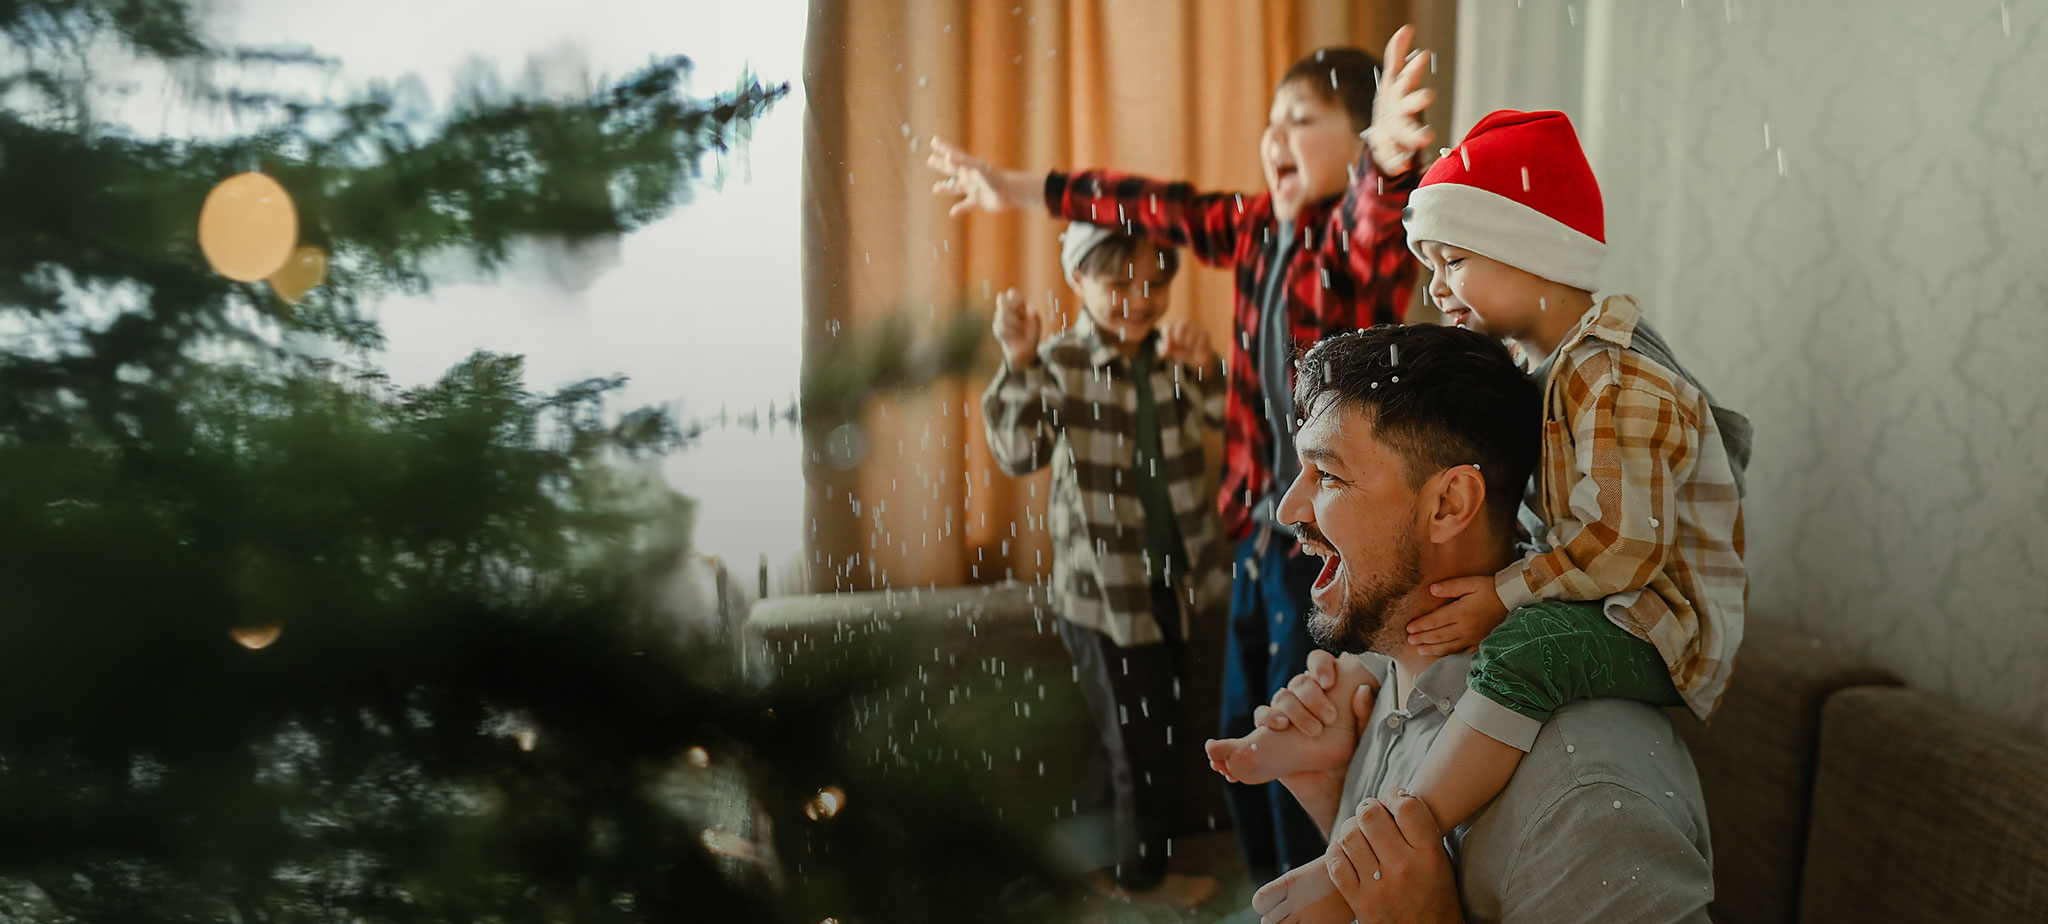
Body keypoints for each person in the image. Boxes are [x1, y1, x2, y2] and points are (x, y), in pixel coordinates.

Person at [933, 26, 1435, 882]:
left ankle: (1308, 893)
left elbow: (1372, 225)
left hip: (1327, 551)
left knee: (1301, 746)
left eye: (1302, 120)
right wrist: (1016, 187)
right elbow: (1147, 202)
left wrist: (1387, 163)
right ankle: (1268, 888)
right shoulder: (1250, 232)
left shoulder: (1347, 251)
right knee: (1239, 732)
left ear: (1350, 146)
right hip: (1254, 542)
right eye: (1271, 120)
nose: (1275, 136)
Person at [1208, 324, 1716, 923]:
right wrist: (1331, 789)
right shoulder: (1394, 670)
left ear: (1449, 505)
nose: (1287, 508)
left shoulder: (1585, 798)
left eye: (1328, 476)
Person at [981, 224, 1227, 908]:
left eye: (1154, 281)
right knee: (1141, 743)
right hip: (1100, 596)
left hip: (1168, 586)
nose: (1138, 299)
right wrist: (1019, 357)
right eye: (1117, 283)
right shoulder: (1060, 362)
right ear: (1078, 284)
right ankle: (1140, 879)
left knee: (1144, 730)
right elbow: (1019, 449)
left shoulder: (1171, 355)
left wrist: (1204, 366)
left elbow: (1229, 420)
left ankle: (1077, 851)